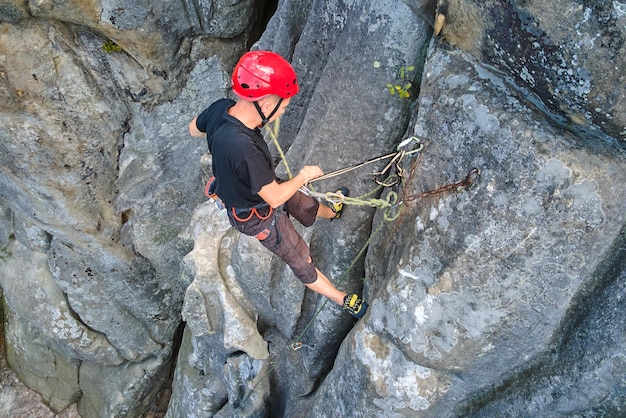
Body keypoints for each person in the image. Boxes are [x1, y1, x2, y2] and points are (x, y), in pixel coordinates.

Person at [188, 50, 368, 319]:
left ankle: (333, 212)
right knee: (300, 259)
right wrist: (303, 176)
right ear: (265, 100)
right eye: (283, 104)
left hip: (255, 185)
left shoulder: (220, 109)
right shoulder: (242, 148)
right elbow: (274, 199)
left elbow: (194, 128)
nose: (284, 109)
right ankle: (342, 299)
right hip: (256, 216)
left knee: (303, 203)